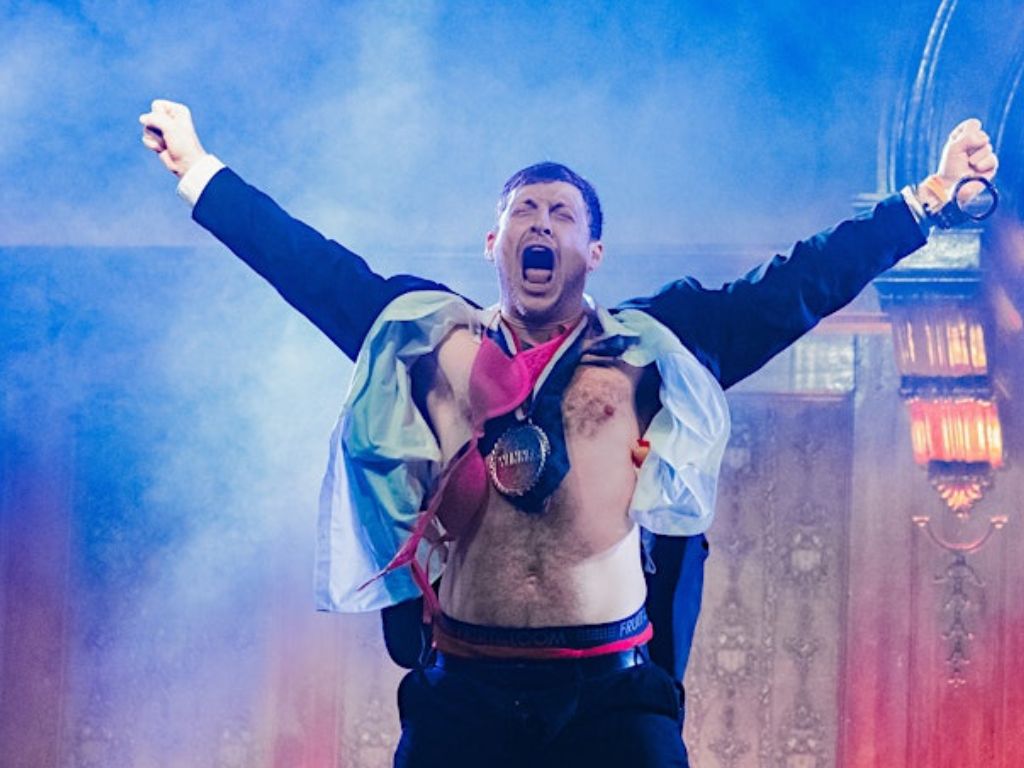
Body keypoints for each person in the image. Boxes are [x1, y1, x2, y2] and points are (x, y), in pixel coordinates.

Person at [139, 100, 997, 767]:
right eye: (524, 211)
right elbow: (309, 267)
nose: (541, 223)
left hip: (609, 699)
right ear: (494, 241)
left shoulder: (650, 351)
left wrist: (924, 200)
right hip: (463, 693)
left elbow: (796, 286)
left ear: (595, 251)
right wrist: (199, 171)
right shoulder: (431, 342)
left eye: (561, 213)